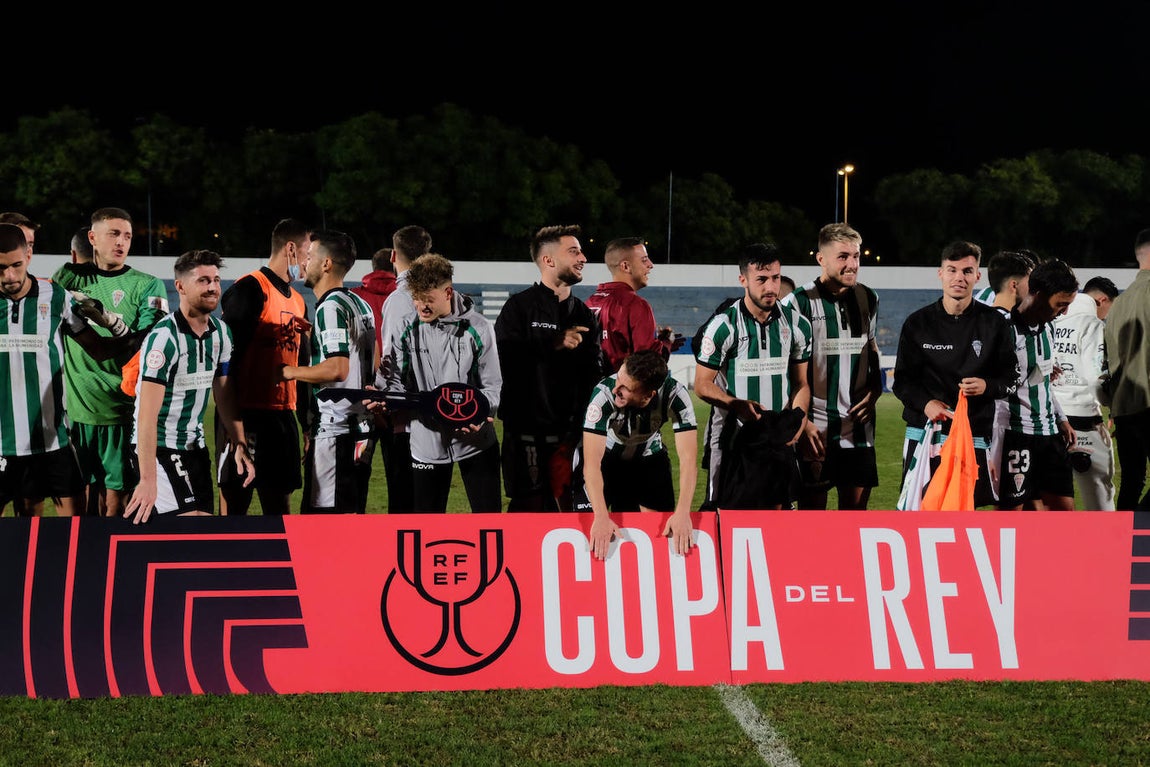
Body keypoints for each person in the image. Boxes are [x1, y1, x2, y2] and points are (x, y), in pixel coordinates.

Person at [0, 224, 139, 516]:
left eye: (16, 265)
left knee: (77, 528)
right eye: (0, 268)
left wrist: (125, 333)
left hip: (53, 441)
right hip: (1, 444)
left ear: (28, 254)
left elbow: (98, 349)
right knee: (24, 532)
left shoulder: (55, 296)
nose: (9, 276)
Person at [51, 207, 169, 518]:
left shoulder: (147, 284)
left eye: (127, 236)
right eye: (113, 234)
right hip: (75, 413)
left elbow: (149, 341)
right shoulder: (67, 279)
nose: (122, 242)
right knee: (81, 505)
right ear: (92, 238)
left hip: (122, 411)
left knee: (116, 506)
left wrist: (111, 322)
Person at [123, 250, 254, 523]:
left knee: (201, 530)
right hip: (160, 447)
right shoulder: (164, 339)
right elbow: (146, 415)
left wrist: (239, 440)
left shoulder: (221, 333)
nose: (213, 287)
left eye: (216, 280)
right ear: (180, 286)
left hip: (195, 448)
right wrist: (147, 479)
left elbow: (224, 391)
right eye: (203, 280)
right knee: (186, 527)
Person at [892, 240, 1018, 509]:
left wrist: (986, 385)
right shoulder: (918, 323)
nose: (959, 278)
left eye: (967, 271)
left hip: (971, 434)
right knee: (919, 511)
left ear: (977, 276)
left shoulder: (994, 323)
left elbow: (1011, 378)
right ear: (941, 273)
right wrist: (926, 404)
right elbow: (902, 381)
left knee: (964, 512)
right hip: (924, 433)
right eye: (952, 270)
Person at [378, 253, 502, 513]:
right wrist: (385, 398)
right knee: (427, 527)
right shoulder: (404, 328)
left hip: (476, 440)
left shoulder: (478, 328)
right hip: (426, 442)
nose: (421, 306)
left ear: (448, 292)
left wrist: (478, 415)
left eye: (428, 299)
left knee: (489, 523)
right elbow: (396, 383)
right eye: (416, 298)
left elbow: (492, 388)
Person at [694, 241, 812, 511]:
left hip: (776, 437)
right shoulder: (723, 325)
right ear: (743, 280)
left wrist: (798, 421)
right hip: (731, 437)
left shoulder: (797, 325)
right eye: (761, 279)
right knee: (722, 512)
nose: (770, 287)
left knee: (778, 512)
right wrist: (736, 404)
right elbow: (701, 385)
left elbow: (801, 383)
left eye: (775, 278)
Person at [495, 224, 603, 512]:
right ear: (548, 260)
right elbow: (504, 362)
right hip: (525, 434)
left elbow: (594, 375)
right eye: (574, 251)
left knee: (573, 510)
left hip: (571, 436)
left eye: (581, 251)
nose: (583, 258)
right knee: (527, 509)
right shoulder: (517, 308)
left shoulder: (584, 314)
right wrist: (551, 342)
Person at [216, 218, 312, 516]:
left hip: (282, 418)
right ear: (291, 249)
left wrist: (306, 426)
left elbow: (302, 366)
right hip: (247, 415)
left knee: (280, 508)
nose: (311, 262)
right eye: (309, 254)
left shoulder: (297, 300)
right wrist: (233, 428)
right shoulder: (249, 290)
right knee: (235, 505)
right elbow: (225, 365)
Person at [784, 223, 882, 510]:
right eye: (842, 257)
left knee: (854, 519)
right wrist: (801, 423)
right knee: (813, 521)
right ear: (821, 259)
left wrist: (876, 388)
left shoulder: (869, 298)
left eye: (856, 256)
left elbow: (871, 347)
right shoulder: (797, 303)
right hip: (815, 428)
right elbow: (786, 370)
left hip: (859, 427)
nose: (852, 264)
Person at [282, 230, 376, 514]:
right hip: (361, 428)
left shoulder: (331, 306)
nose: (304, 262)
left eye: (309, 256)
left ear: (326, 264)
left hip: (337, 431)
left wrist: (288, 371)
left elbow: (337, 368)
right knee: (351, 514)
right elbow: (369, 358)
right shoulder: (360, 303)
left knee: (324, 522)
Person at [575, 351, 698, 559]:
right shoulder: (603, 395)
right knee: (593, 529)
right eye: (618, 379)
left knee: (659, 532)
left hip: (649, 460)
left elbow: (688, 460)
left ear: (648, 395)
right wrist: (601, 516)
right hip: (607, 461)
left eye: (625, 388)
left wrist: (683, 512)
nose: (616, 389)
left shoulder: (676, 395)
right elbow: (592, 465)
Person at [994, 258, 1079, 511]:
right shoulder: (1003, 328)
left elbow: (1043, 382)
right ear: (1039, 294)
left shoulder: (1049, 329)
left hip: (1049, 432)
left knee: (1064, 510)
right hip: (1015, 433)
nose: (1064, 311)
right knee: (1012, 515)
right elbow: (994, 387)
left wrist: (1061, 418)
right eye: (1061, 304)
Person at [374, 226, 432, 513]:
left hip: (405, 417)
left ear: (393, 256)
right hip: (435, 410)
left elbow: (391, 359)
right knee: (428, 500)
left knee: (403, 500)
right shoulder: (442, 294)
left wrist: (383, 400)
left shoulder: (399, 299)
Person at [1051, 289, 1115, 510]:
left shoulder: (1051, 322)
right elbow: (1095, 378)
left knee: (1052, 500)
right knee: (1100, 499)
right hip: (1084, 420)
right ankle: (1105, 544)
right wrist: (1110, 403)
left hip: (1052, 421)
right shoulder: (1092, 325)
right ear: (1100, 301)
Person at [584, 236, 683, 374]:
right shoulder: (635, 304)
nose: (650, 264)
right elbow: (647, 363)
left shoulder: (590, 301)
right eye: (644, 260)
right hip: (620, 390)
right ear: (625, 266)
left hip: (592, 390)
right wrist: (666, 344)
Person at [1104, 229, 1150, 511]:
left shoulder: (1118, 303)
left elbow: (1109, 359)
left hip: (1123, 406)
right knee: (1134, 482)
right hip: (1148, 400)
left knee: (1132, 482)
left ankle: (1123, 549)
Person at [986, 250, 1036, 317]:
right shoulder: (1008, 323)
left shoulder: (979, 320)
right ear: (1014, 286)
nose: (1034, 287)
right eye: (1030, 282)